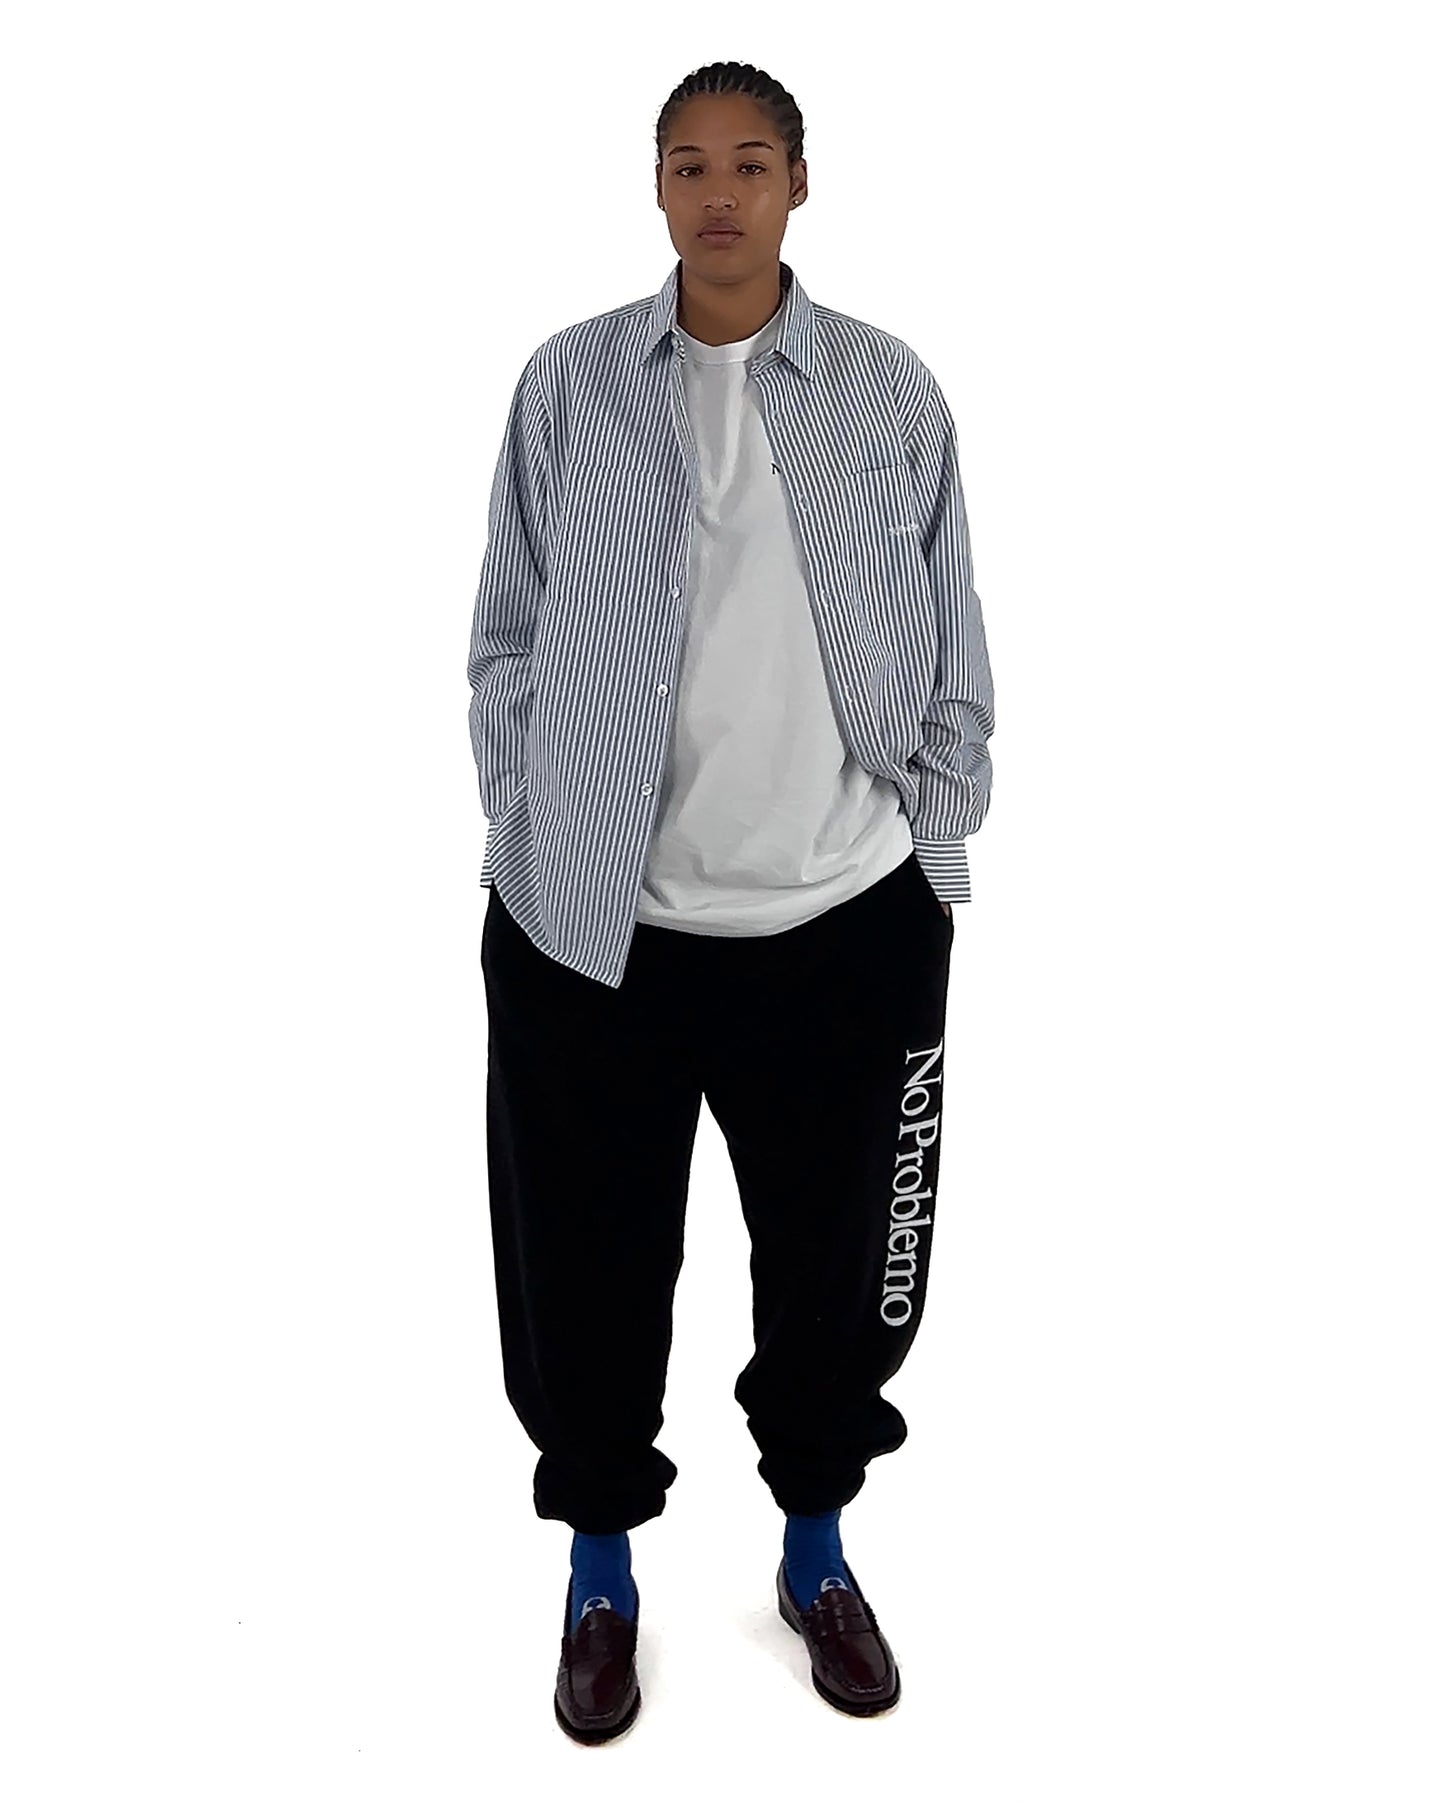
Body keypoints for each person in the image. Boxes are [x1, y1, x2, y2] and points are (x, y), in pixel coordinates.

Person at [467, 60, 995, 1743]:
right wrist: (533, 828)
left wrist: (933, 855)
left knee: (840, 1277)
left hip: (842, 928)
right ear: (655, 187)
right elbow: (505, 635)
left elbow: (953, 636)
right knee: (583, 1274)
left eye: (749, 162)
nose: (718, 193)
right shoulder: (569, 386)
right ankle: (598, 1578)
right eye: (687, 164)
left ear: (797, 184)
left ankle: (815, 1555)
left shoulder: (887, 391)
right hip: (595, 935)